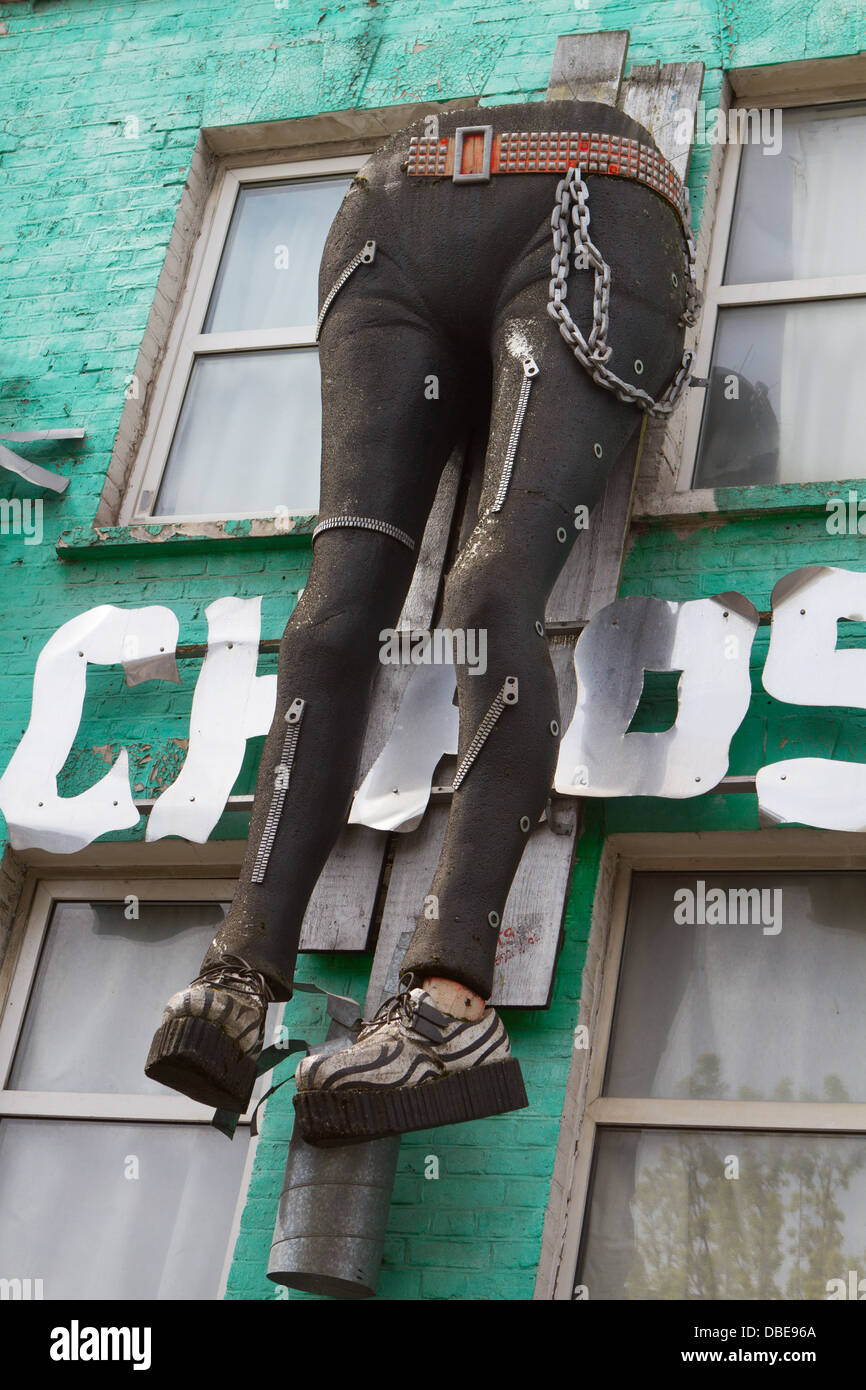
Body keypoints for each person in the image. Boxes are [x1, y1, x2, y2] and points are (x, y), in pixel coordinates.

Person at [145, 98, 696, 1144]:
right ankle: (240, 973)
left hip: (586, 197)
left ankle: (450, 1000)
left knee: (487, 589)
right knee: (331, 611)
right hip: (390, 214)